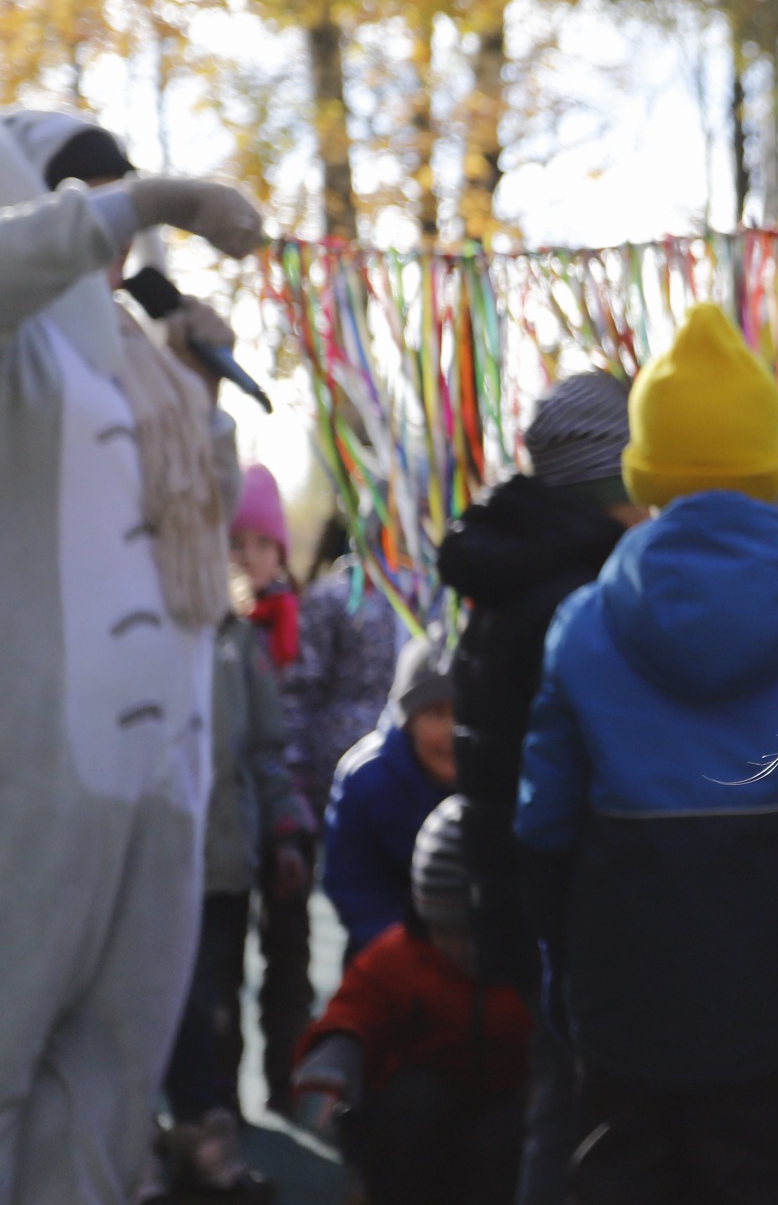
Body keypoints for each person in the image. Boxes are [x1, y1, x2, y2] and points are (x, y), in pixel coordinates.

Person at [0, 111, 265, 1205]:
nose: (112, 234)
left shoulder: (134, 356)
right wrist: (140, 204)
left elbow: (205, 525)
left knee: (112, 1080)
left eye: (117, 194)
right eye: (83, 195)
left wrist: (202, 392)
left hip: (157, 778)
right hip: (29, 767)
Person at [516, 305, 778, 1203]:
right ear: (765, 466)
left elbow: (544, 821)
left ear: (646, 470)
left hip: (623, 981)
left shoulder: (585, 623)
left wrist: (561, 969)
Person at [438, 369, 643, 1204]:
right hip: (577, 901)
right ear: (615, 479)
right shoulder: (582, 593)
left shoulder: (517, 570)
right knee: (585, 1121)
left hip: (522, 893)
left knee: (561, 1107)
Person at [292, 797, 533, 1205]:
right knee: (412, 1101)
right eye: (446, 930)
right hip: (425, 1132)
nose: (462, 948)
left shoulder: (541, 970)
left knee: (512, 1135)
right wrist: (336, 1058)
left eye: (476, 930)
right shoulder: (400, 957)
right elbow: (356, 1010)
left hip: (512, 1124)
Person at [158, 595, 312, 1193]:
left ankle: (210, 1144)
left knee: (213, 1002)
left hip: (219, 864)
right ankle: (140, 1146)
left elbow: (264, 751)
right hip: (145, 863)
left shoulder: (237, 642)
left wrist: (284, 830)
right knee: (140, 1004)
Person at [226, 461, 319, 1110]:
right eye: (238, 544)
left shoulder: (302, 620)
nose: (251, 557)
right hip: (230, 813)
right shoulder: (216, 627)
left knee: (288, 956)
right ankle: (216, 1103)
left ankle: (288, 1078)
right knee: (218, 960)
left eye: (262, 544)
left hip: (292, 804)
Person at [323, 631, 458, 961]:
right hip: (386, 952)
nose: (451, 731)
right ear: (408, 721)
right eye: (436, 714)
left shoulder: (491, 774)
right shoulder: (366, 779)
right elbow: (354, 884)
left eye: (464, 713)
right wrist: (410, 956)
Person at [285, 516, 406, 822]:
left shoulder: (424, 597)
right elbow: (300, 691)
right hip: (338, 771)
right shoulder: (331, 598)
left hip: (408, 769)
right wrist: (295, 779)